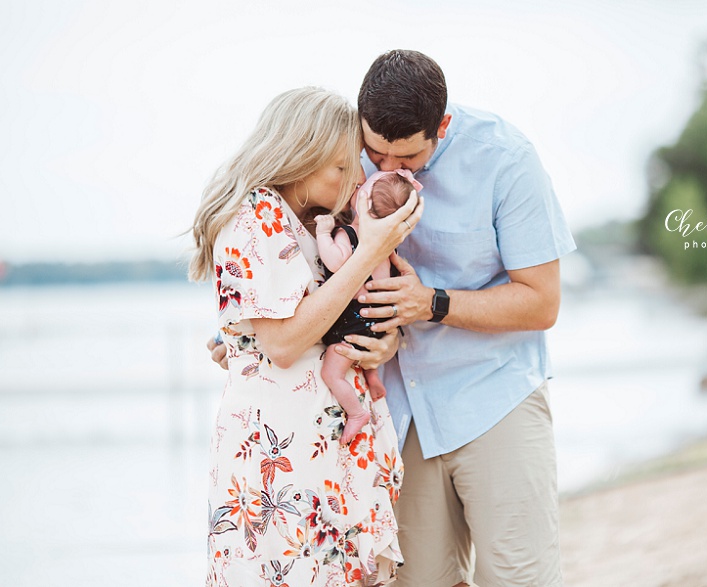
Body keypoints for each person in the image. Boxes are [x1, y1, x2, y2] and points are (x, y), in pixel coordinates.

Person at [208, 51, 575, 587]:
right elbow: (288, 268)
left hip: (492, 399)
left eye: (405, 158)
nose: (383, 169)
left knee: (521, 579)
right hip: (395, 413)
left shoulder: (506, 159)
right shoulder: (340, 154)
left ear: (442, 127)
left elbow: (542, 302)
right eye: (372, 152)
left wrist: (431, 304)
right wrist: (238, 330)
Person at [190, 86, 423, 586]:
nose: (353, 178)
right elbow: (282, 343)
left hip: (318, 444)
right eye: (341, 167)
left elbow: (332, 317)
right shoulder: (255, 213)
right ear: (298, 157)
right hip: (282, 451)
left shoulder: (305, 223)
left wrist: (385, 344)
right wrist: (370, 248)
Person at [315, 169, 423, 445]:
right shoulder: (390, 248)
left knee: (331, 371)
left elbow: (336, 262)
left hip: (352, 322)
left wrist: (324, 233)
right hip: (376, 324)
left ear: (361, 202)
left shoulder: (350, 235)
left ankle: (356, 413)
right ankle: (372, 376)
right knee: (364, 351)